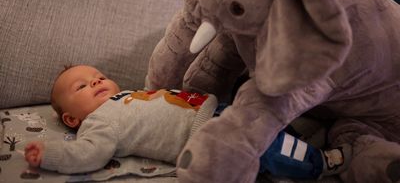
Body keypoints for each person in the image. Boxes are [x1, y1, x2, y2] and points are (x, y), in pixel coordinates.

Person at [25, 65, 351, 178]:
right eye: (82, 86)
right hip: (207, 135)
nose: (96, 82)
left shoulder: (122, 97)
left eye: (98, 76)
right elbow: (87, 155)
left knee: (268, 112)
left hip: (217, 109)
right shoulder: (98, 124)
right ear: (71, 118)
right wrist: (49, 154)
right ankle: (319, 163)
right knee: (264, 147)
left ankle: (312, 133)